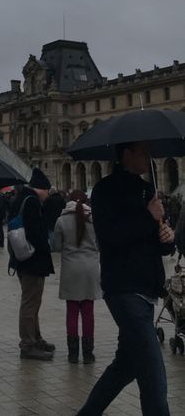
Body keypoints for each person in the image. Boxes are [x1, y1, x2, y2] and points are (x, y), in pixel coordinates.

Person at [76, 141, 175, 416]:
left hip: (147, 288)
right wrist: (148, 216)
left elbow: (153, 242)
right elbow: (110, 238)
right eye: (144, 151)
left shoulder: (147, 190)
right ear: (127, 154)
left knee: (126, 366)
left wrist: (167, 237)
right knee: (154, 379)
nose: (149, 156)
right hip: (124, 290)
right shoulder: (105, 190)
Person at [9, 167, 55, 361]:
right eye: (47, 191)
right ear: (41, 189)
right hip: (33, 261)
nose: (48, 195)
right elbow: (36, 233)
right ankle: (27, 344)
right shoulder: (32, 202)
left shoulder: (21, 198)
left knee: (33, 302)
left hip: (22, 260)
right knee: (30, 303)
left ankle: (35, 338)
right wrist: (46, 248)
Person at [52, 190, 101, 363]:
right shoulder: (94, 219)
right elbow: (100, 244)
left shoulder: (61, 220)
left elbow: (56, 246)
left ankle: (73, 353)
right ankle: (88, 353)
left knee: (72, 312)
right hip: (90, 268)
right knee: (88, 312)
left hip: (71, 268)